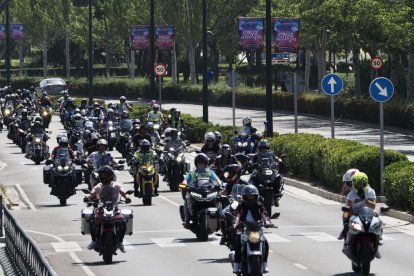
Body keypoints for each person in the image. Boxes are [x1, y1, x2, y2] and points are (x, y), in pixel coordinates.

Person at [85, 166, 131, 252]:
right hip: (101, 208)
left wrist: (127, 197)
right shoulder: (99, 186)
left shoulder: (116, 185)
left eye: (105, 174)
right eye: (101, 174)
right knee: (91, 221)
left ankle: (120, 242)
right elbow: (92, 193)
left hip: (114, 208)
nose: (103, 176)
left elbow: (123, 191)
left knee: (123, 221)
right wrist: (88, 197)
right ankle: (94, 240)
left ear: (110, 175)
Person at [232, 185, 272, 273]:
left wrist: (267, 222)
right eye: (248, 196)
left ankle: (264, 264)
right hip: (244, 229)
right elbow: (236, 216)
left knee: (266, 243)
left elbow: (264, 214)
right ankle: (236, 265)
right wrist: (235, 224)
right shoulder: (241, 206)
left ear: (256, 196)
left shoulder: (259, 205)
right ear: (244, 196)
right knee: (238, 244)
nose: (250, 198)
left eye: (252, 196)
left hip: (256, 229)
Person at [341, 172, 380, 258]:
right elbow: (348, 205)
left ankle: (377, 242)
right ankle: (347, 244)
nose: (359, 186)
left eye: (361, 183)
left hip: (368, 214)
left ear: (365, 183)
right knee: (348, 226)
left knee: (378, 221)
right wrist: (350, 211)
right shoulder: (351, 193)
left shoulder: (370, 191)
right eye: (356, 184)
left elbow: (373, 206)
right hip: (355, 215)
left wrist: (364, 199)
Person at [181, 153, 222, 228]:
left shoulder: (210, 172)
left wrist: (220, 185)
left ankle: (221, 218)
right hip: (195, 192)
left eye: (202, 161)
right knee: (187, 200)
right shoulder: (192, 173)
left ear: (205, 162)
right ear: (196, 163)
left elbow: (217, 180)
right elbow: (185, 180)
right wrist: (184, 184)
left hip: (209, 192)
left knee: (220, 200)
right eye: (199, 162)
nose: (201, 163)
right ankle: (187, 220)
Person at [337, 168, 360, 240]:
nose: (351, 184)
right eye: (349, 182)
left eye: (353, 182)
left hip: (364, 210)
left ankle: (377, 234)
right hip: (353, 208)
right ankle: (345, 228)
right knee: (345, 212)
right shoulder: (346, 188)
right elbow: (344, 198)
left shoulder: (367, 187)